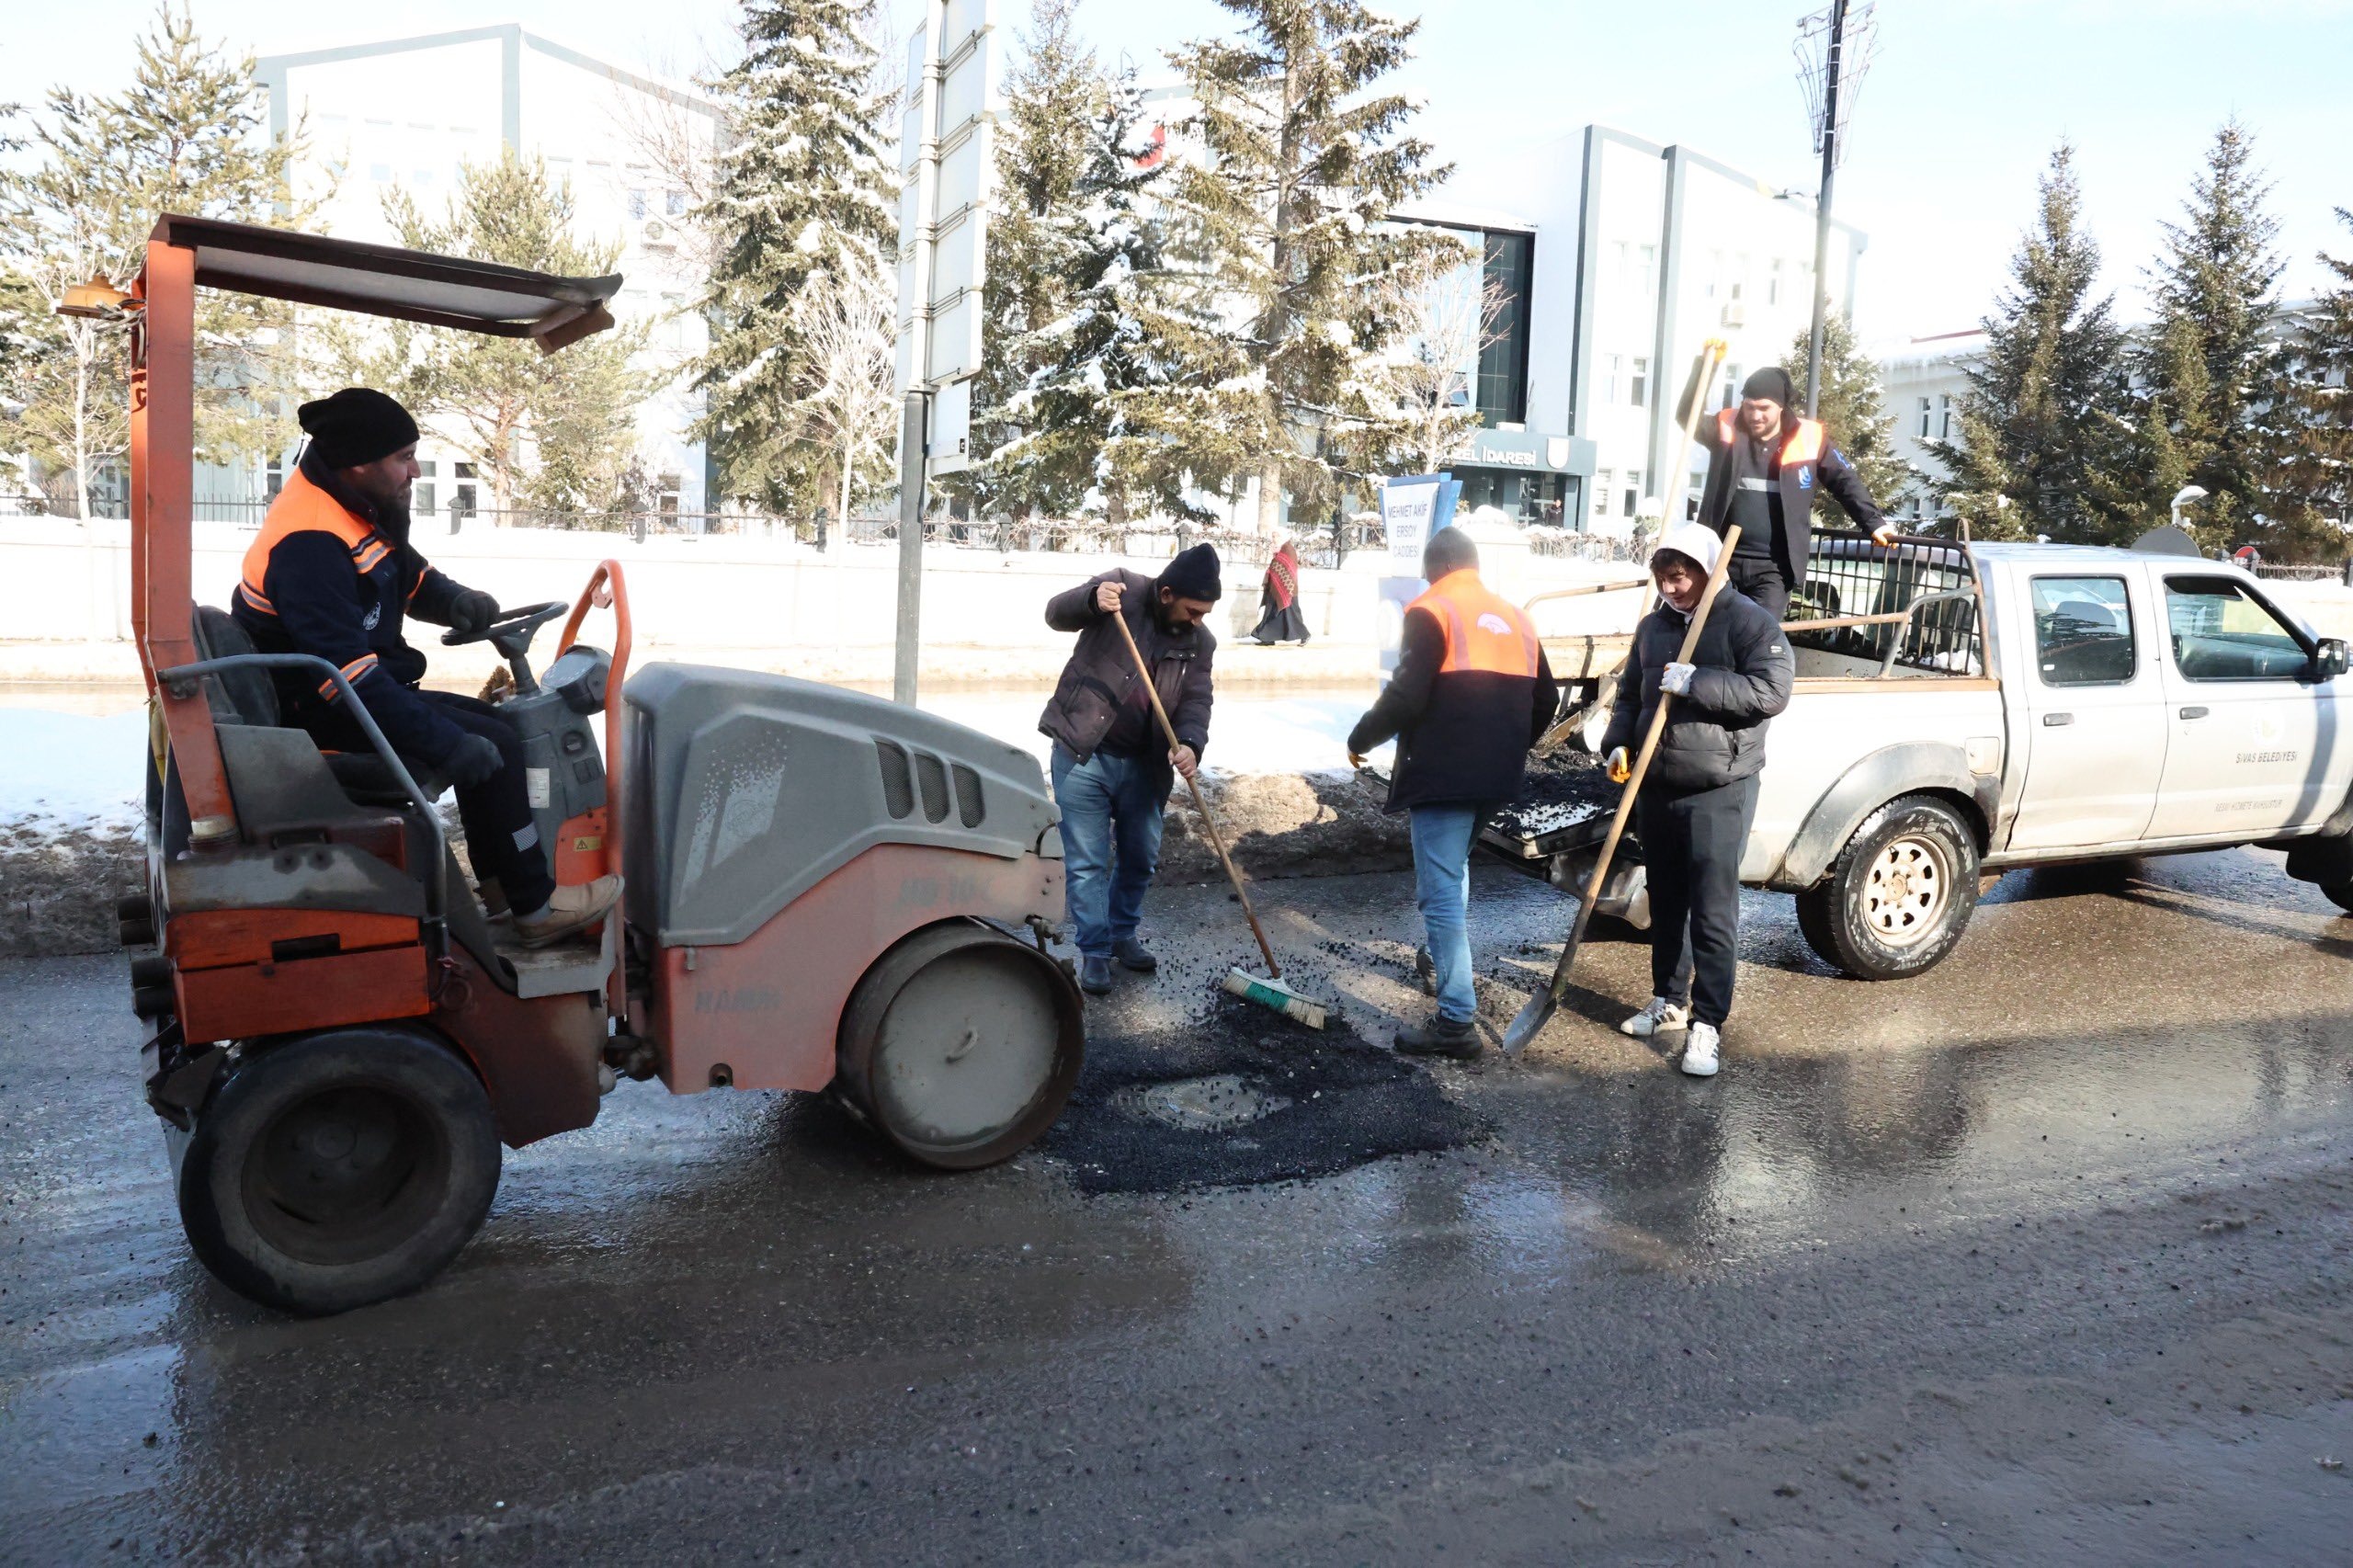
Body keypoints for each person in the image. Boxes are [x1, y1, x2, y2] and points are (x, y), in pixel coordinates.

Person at [231, 388, 620, 948]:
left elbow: (407, 575)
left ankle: (505, 892)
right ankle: (537, 907)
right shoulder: (309, 543)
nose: (415, 470)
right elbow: (347, 681)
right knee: (490, 744)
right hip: (318, 714)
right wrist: (445, 743)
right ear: (359, 462)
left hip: (347, 692)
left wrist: (456, 600)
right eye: (404, 458)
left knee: (498, 731)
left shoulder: (351, 504)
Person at [1347, 526, 1559, 1060]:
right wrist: (1509, 747)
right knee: (1453, 870)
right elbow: (1547, 699)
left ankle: (1456, 1023)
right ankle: (1437, 960)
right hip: (1496, 778)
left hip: (1442, 776)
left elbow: (1406, 695)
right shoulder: (1517, 617)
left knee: (1439, 893)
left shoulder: (1432, 609)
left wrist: (1360, 738)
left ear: (1435, 568)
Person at [1599, 521, 1794, 1077]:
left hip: (1719, 787)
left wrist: (1698, 681)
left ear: (1709, 570)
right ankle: (1669, 1001)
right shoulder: (1653, 627)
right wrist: (1618, 743)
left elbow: (1772, 692)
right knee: (1666, 902)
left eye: (1681, 577)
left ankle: (1708, 1023)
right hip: (1656, 784)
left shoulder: (1748, 622)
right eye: (1663, 578)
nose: (1671, 588)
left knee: (1712, 910)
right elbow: (1630, 696)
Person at [1039, 544, 1221, 996]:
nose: (1198, 621)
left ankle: (1122, 934)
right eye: (1193, 610)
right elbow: (1056, 614)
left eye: (1205, 613)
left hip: (1146, 765)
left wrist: (1191, 743)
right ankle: (1095, 951)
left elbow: (1197, 700)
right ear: (1166, 594)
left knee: (1139, 857)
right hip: (1083, 753)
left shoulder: (1200, 642)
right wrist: (1091, 599)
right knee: (1087, 863)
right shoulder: (1121, 590)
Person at [1691, 365, 1897, 623]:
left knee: (1759, 636)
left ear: (1781, 406)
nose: (1755, 415)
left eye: (1764, 408)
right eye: (1749, 406)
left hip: (1774, 569)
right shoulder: (1725, 426)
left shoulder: (1809, 438)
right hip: (1722, 561)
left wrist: (1874, 523)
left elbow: (1845, 480)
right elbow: (1688, 416)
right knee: (1715, 634)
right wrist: (1705, 365)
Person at [1250, 538, 1311, 645]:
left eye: (1275, 538)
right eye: (1272, 538)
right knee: (1272, 614)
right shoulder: (1281, 550)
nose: (1273, 542)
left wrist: (1276, 560)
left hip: (1288, 590)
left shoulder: (1288, 549)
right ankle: (1268, 638)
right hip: (1276, 589)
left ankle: (1304, 635)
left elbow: (1289, 568)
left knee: (1292, 615)